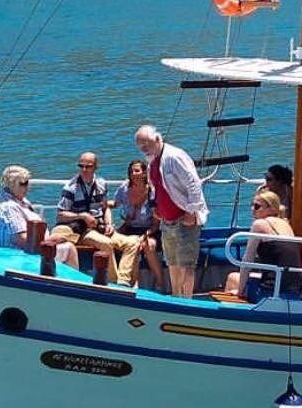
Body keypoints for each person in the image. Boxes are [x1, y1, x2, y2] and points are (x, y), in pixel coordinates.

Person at [136, 124, 208, 298]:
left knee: (186, 264)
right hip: (166, 221)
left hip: (184, 219)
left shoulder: (174, 157)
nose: (144, 148)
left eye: (146, 143)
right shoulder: (151, 160)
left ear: (158, 139)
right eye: (140, 145)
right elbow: (155, 186)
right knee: (172, 263)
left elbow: (193, 183)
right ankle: (176, 297)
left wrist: (192, 211)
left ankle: (187, 300)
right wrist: (155, 206)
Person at [47, 152, 141, 285]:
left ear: (95, 167)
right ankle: (113, 282)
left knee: (133, 243)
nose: (84, 170)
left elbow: (105, 207)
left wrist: (109, 223)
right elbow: (61, 214)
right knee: (106, 244)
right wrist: (82, 216)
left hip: (101, 226)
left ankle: (123, 281)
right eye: (81, 166)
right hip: (84, 230)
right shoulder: (71, 188)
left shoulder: (101, 184)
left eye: (88, 166)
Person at [0, 164, 79, 269]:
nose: (28, 187)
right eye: (23, 183)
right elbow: (22, 240)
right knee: (69, 248)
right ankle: (76, 283)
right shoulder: (9, 207)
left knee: (64, 232)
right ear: (11, 185)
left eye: (28, 183)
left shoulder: (16, 199)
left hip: (28, 249)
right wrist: (52, 240)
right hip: (21, 255)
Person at [225, 188, 302, 301]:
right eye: (252, 205)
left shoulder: (259, 224)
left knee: (233, 278)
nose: (253, 209)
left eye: (257, 206)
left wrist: (239, 291)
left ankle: (233, 315)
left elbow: (247, 260)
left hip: (273, 291)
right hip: (295, 289)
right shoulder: (285, 224)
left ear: (271, 209)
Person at [112, 158, 165, 292]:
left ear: (144, 173)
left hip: (150, 230)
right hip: (130, 228)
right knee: (132, 243)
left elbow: (155, 224)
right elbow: (115, 203)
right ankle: (134, 283)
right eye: (131, 171)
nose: (134, 174)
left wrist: (145, 235)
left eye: (137, 171)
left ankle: (159, 282)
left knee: (149, 246)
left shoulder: (152, 191)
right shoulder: (124, 188)